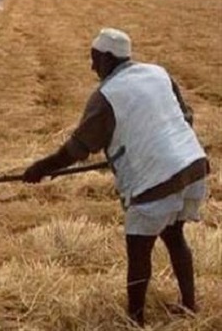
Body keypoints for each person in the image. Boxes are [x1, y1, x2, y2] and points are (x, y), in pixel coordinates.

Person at [23, 28, 209, 326]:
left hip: (157, 179)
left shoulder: (107, 96)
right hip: (193, 166)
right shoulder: (158, 73)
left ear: (109, 58)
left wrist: (40, 169)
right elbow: (186, 117)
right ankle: (189, 305)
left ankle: (134, 321)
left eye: (95, 59)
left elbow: (76, 150)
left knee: (138, 252)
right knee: (175, 236)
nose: (92, 66)